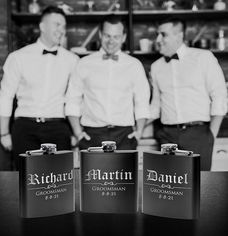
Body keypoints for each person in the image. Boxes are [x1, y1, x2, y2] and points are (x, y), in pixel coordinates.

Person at [0, 6, 79, 170]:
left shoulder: (73, 60)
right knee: (26, 181)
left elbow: (75, 100)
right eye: (57, 24)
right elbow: (5, 96)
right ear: (42, 26)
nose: (61, 30)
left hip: (58, 127)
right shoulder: (18, 57)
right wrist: (4, 133)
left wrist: (76, 133)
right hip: (25, 127)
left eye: (63, 26)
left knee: (59, 182)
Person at [150, 17, 227, 170]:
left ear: (179, 35)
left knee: (200, 185)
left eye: (163, 34)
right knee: (169, 187)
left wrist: (211, 134)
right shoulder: (156, 66)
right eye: (157, 34)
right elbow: (156, 105)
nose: (158, 39)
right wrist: (136, 128)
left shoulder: (203, 57)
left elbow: (219, 95)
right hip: (167, 135)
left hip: (198, 134)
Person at [66, 14, 150, 150]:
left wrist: (139, 133)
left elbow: (142, 102)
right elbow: (72, 101)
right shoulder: (83, 63)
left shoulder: (134, 65)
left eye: (116, 37)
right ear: (100, 35)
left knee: (125, 172)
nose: (111, 41)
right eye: (107, 36)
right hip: (91, 134)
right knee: (92, 172)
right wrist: (78, 133)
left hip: (125, 135)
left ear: (123, 37)